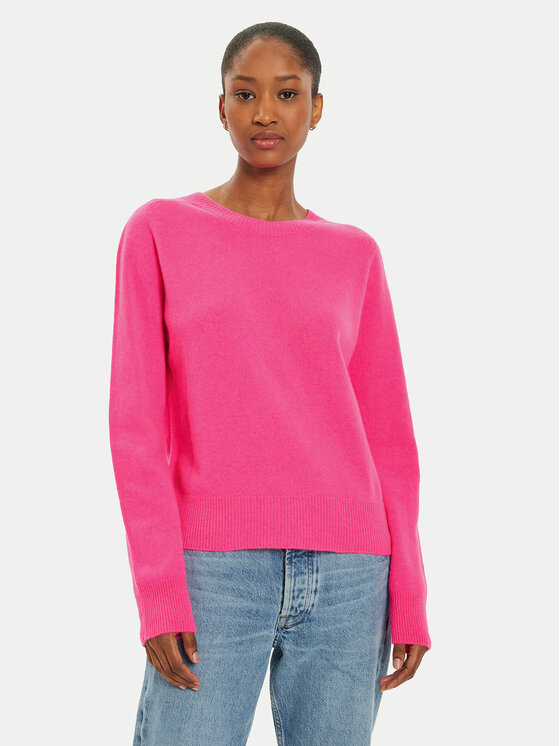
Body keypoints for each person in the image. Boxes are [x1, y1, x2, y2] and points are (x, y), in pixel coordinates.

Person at [109, 21, 431, 746]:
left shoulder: (355, 254)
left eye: (287, 94)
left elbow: (389, 438)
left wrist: (409, 590)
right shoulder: (160, 230)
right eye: (245, 93)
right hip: (212, 571)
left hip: (351, 576)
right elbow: (135, 428)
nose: (265, 113)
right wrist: (160, 593)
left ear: (316, 109)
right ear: (220, 106)